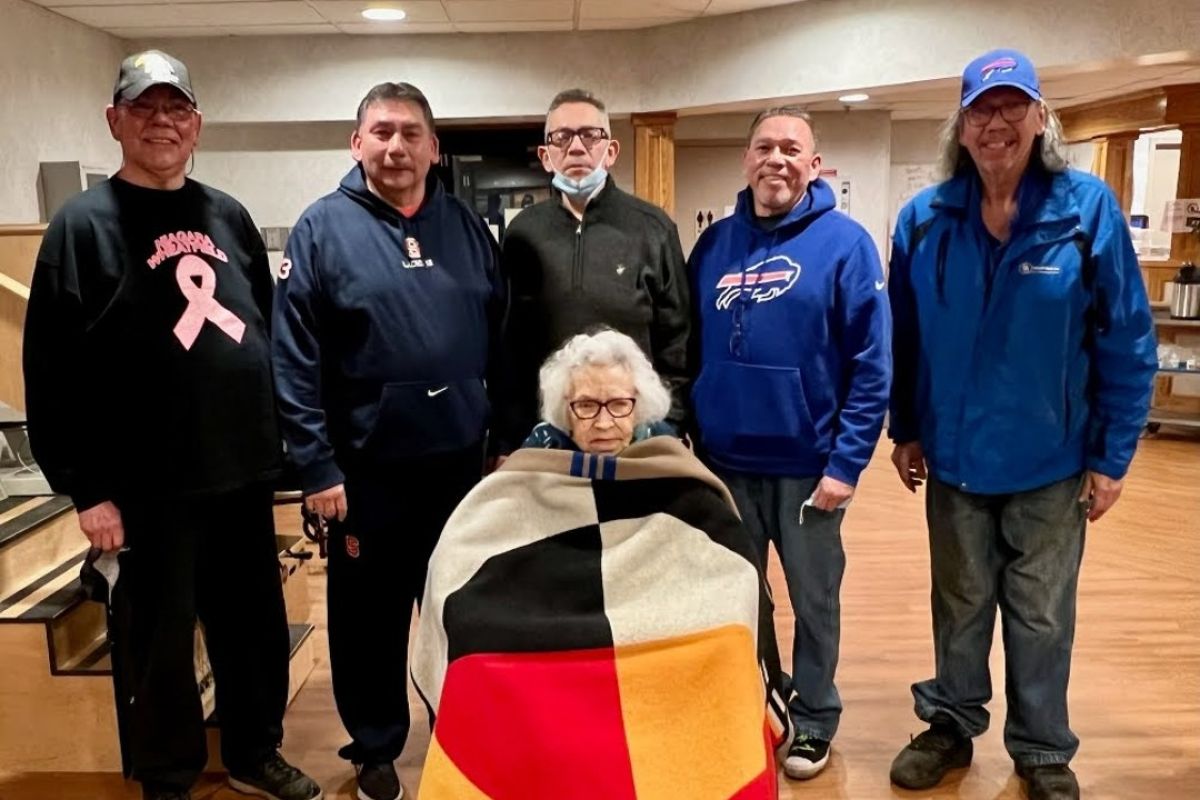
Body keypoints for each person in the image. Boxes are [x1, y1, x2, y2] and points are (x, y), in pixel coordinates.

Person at [22, 50, 321, 800]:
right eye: (145, 108)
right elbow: (51, 375)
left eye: (176, 109)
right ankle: (167, 774)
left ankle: (255, 753)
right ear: (114, 120)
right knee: (156, 644)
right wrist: (87, 491)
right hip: (144, 488)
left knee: (252, 633)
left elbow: (262, 327)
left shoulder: (228, 214)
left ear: (197, 124)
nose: (162, 122)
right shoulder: (79, 227)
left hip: (240, 470)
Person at [886, 49, 1156, 800]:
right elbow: (904, 338)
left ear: (1041, 118)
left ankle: (1040, 747)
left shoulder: (1086, 209)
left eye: (1013, 106)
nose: (997, 122)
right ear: (962, 125)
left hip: (1053, 459)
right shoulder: (923, 219)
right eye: (982, 109)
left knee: (1040, 614)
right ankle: (950, 721)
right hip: (955, 457)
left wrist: (1113, 456)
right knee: (960, 601)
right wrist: (903, 428)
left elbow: (1127, 339)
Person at [411, 330, 791, 800]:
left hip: (653, 616)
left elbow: (734, 563)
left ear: (640, 405)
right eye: (586, 405)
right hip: (548, 613)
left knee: (725, 639)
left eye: (618, 404)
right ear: (564, 411)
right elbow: (465, 551)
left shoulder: (674, 472)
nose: (604, 421)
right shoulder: (529, 473)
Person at [272, 81, 506, 800]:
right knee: (369, 621)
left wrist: (496, 441)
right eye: (381, 131)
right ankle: (375, 748)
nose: (396, 146)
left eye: (411, 133)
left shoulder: (467, 228)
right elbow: (293, 357)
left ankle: (462, 735)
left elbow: (497, 336)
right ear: (356, 143)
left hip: (461, 466)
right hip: (364, 473)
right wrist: (315, 464)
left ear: (435, 148)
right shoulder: (321, 229)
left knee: (460, 609)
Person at [688, 106, 891, 781]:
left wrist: (847, 465)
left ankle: (814, 717)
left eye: (791, 149)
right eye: (764, 147)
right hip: (725, 465)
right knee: (745, 599)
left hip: (810, 470)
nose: (776, 159)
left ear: (814, 161)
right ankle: (761, 700)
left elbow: (872, 366)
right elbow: (688, 351)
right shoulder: (713, 247)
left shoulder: (846, 244)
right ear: (746, 159)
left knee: (813, 599)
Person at [500, 89, 690, 447]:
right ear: (545, 155)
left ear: (611, 150)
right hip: (547, 435)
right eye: (562, 137)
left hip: (632, 431)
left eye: (590, 135)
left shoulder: (653, 228)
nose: (576, 148)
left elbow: (677, 343)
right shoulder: (522, 233)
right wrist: (507, 440)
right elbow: (509, 348)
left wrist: (671, 428)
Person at [522, 328, 676, 453]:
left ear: (639, 402)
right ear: (564, 406)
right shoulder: (544, 445)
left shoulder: (662, 443)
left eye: (619, 404)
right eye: (586, 405)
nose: (603, 424)